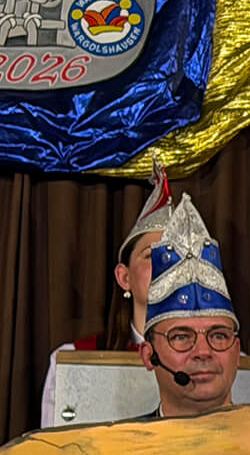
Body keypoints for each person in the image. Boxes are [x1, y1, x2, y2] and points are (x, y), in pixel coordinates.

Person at [40, 159, 172, 428]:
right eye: (151, 255)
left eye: (175, 255)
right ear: (124, 277)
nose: (166, 264)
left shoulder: (227, 364)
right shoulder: (72, 361)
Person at [137, 195, 243, 420]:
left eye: (219, 336)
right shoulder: (120, 442)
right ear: (149, 355)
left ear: (237, 353)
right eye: (181, 337)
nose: (203, 352)